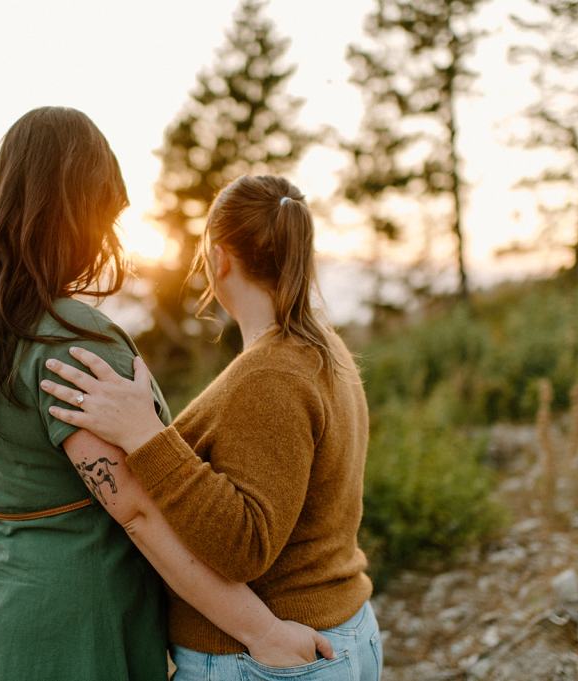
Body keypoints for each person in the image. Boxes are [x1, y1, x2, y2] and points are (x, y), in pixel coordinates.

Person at [0, 109, 331, 681]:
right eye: (106, 216)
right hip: (73, 621)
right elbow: (140, 510)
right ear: (78, 211)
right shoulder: (75, 345)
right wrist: (263, 632)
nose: (108, 238)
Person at [41, 174, 383, 680]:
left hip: (269, 660)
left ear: (219, 259)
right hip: (330, 638)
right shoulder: (321, 348)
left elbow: (243, 546)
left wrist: (145, 437)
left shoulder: (271, 375)